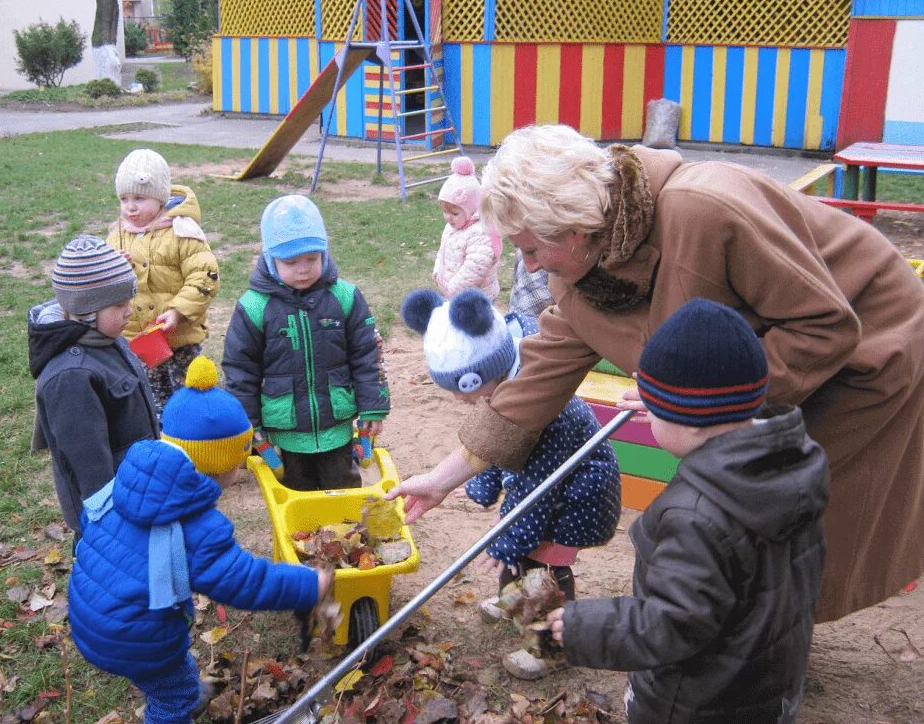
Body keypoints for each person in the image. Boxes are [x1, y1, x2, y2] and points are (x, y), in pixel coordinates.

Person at [387, 123, 924, 623]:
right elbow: (538, 378)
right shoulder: (582, 270)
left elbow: (824, 325)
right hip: (778, 367)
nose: (526, 266)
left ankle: (753, 658)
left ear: (573, 228)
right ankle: (746, 644)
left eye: (530, 248)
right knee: (722, 520)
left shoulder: (705, 211)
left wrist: (704, 407)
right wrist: (444, 478)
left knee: (754, 515)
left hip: (869, 349)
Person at [546, 298, 829, 723]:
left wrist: (585, 627)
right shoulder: (793, 463)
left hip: (699, 703)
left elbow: (674, 623)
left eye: (657, 409)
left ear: (692, 420)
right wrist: (674, 411)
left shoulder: (697, 514)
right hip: (767, 684)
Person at [68, 355, 332, 724]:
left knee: (170, 674)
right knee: (171, 699)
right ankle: (176, 705)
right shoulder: (196, 526)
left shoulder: (126, 482)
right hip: (136, 639)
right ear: (224, 465)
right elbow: (244, 581)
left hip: (89, 615)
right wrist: (308, 585)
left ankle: (181, 687)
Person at [401, 287, 621, 679]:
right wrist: (482, 486)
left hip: (575, 499)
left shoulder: (553, 414)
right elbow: (496, 441)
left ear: (483, 374)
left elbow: (538, 490)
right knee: (516, 553)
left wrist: (509, 537)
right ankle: (512, 601)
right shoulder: (505, 385)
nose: (460, 401)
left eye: (463, 392)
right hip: (544, 497)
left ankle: (551, 648)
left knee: (544, 572)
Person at [222, 194, 390, 491]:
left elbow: (368, 356)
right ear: (270, 260)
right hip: (284, 431)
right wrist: (250, 428)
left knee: (344, 490)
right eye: (291, 262)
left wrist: (372, 408)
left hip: (336, 428)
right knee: (296, 496)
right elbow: (240, 371)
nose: (303, 269)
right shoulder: (254, 307)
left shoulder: (345, 297)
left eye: (312, 259)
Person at [28, 234, 159, 543]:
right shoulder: (71, 376)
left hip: (135, 489)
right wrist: (107, 521)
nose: (130, 310)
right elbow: (88, 462)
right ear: (87, 311)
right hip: (109, 515)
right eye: (119, 304)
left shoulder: (106, 338)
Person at [106, 148, 220, 418]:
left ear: (160, 199)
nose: (130, 207)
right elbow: (105, 285)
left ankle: (195, 439)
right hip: (141, 338)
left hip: (179, 336)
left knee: (188, 396)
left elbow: (205, 274)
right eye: (124, 198)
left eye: (139, 198)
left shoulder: (182, 231)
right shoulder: (117, 237)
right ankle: (161, 438)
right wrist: (114, 267)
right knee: (152, 397)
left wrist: (178, 310)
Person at [432, 156, 503, 299]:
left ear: (472, 209)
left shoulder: (481, 233)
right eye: (445, 212)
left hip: (476, 300)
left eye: (454, 213)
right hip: (456, 296)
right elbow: (443, 251)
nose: (448, 217)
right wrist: (438, 270)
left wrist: (453, 288)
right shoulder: (452, 228)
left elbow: (475, 268)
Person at [507, 248, 553, 318]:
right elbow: (515, 282)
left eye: (531, 252)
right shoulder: (521, 251)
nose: (530, 268)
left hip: (542, 321)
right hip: (516, 315)